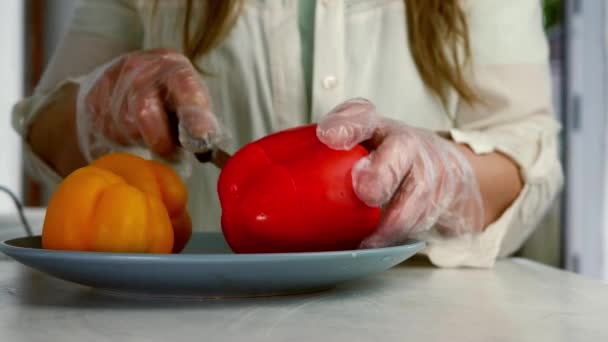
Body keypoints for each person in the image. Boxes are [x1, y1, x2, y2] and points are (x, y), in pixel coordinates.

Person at [12, 0, 563, 267]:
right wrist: (102, 103)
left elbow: (527, 146)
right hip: (192, 316)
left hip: (414, 317)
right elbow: (44, 132)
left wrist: (446, 176)